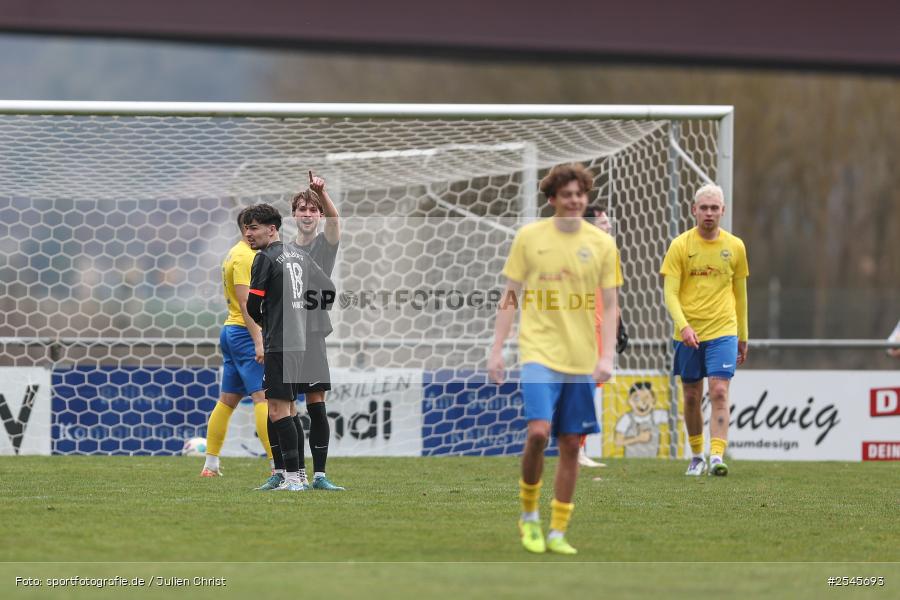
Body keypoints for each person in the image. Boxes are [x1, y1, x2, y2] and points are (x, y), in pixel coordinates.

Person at [488, 163, 619, 555]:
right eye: (567, 195)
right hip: (538, 354)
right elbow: (510, 295)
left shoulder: (602, 245)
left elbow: (611, 305)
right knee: (539, 433)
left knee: (569, 444)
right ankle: (529, 516)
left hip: (580, 359)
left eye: (580, 194)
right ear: (552, 200)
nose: (575, 200)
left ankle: (558, 531)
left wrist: (607, 355)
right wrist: (497, 348)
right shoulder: (529, 238)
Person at [244, 203, 336, 492]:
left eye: (254, 227)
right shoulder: (298, 255)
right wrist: (300, 311)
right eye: (247, 228)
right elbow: (327, 288)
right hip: (299, 341)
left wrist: (267, 320)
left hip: (280, 341)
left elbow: (252, 304)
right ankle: (300, 477)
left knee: (277, 410)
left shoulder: (264, 258)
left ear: (272, 229)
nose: (249, 233)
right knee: (288, 410)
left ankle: (294, 479)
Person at [660, 183, 749, 477]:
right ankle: (697, 455)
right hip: (688, 332)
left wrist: (743, 335)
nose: (709, 213)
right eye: (704, 207)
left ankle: (716, 456)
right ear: (693, 210)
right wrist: (683, 326)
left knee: (720, 391)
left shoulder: (735, 247)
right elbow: (670, 294)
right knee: (690, 396)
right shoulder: (680, 246)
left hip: (723, 329)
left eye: (714, 208)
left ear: (723, 211)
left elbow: (741, 294)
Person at [201, 207, 272, 477]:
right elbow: (246, 302)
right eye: (252, 226)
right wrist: (259, 341)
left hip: (231, 330)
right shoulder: (244, 257)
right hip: (244, 332)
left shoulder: (235, 251)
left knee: (227, 400)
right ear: (245, 228)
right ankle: (277, 465)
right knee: (263, 397)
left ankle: (210, 465)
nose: (253, 231)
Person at [290, 171, 344, 491]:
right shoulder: (282, 250)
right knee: (283, 405)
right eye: (302, 209)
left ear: (319, 215)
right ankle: (287, 474)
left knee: (315, 400)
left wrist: (321, 193)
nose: (307, 214)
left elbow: (336, 222)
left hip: (311, 333)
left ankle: (320, 475)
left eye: (313, 210)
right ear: (294, 214)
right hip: (285, 334)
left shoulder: (324, 246)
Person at [578, 205, 628, 468]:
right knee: (580, 388)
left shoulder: (611, 253)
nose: (609, 227)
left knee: (590, 388)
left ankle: (578, 449)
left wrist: (619, 325)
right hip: (581, 331)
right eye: (603, 224)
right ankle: (573, 448)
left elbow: (611, 296)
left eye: (608, 223)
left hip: (601, 331)